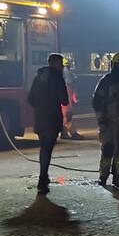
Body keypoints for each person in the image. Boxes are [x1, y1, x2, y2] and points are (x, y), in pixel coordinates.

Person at [27, 53, 70, 195]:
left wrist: (40, 107)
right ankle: (42, 178)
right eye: (61, 64)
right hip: (52, 119)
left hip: (40, 118)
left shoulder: (38, 77)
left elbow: (30, 98)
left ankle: (43, 176)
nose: (63, 67)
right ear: (56, 64)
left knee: (43, 148)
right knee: (47, 149)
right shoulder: (57, 78)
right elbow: (64, 100)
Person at [92, 52, 119, 188]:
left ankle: (118, 176)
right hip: (108, 122)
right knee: (108, 149)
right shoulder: (106, 81)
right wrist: (102, 120)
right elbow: (97, 101)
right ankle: (103, 177)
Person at [60, 57, 84, 140]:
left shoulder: (61, 74)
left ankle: (64, 133)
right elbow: (70, 85)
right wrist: (74, 97)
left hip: (63, 100)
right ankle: (72, 133)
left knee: (65, 116)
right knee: (67, 116)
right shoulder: (67, 74)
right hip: (66, 101)